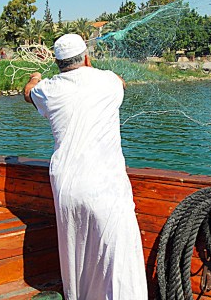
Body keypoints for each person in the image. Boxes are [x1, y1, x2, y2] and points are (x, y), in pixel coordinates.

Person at [23, 34, 147, 300]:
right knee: (118, 259)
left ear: (57, 63)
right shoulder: (109, 80)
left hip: (67, 186)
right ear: (87, 58)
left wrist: (34, 77)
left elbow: (27, 94)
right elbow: (122, 84)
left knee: (77, 254)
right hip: (106, 186)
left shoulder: (48, 88)